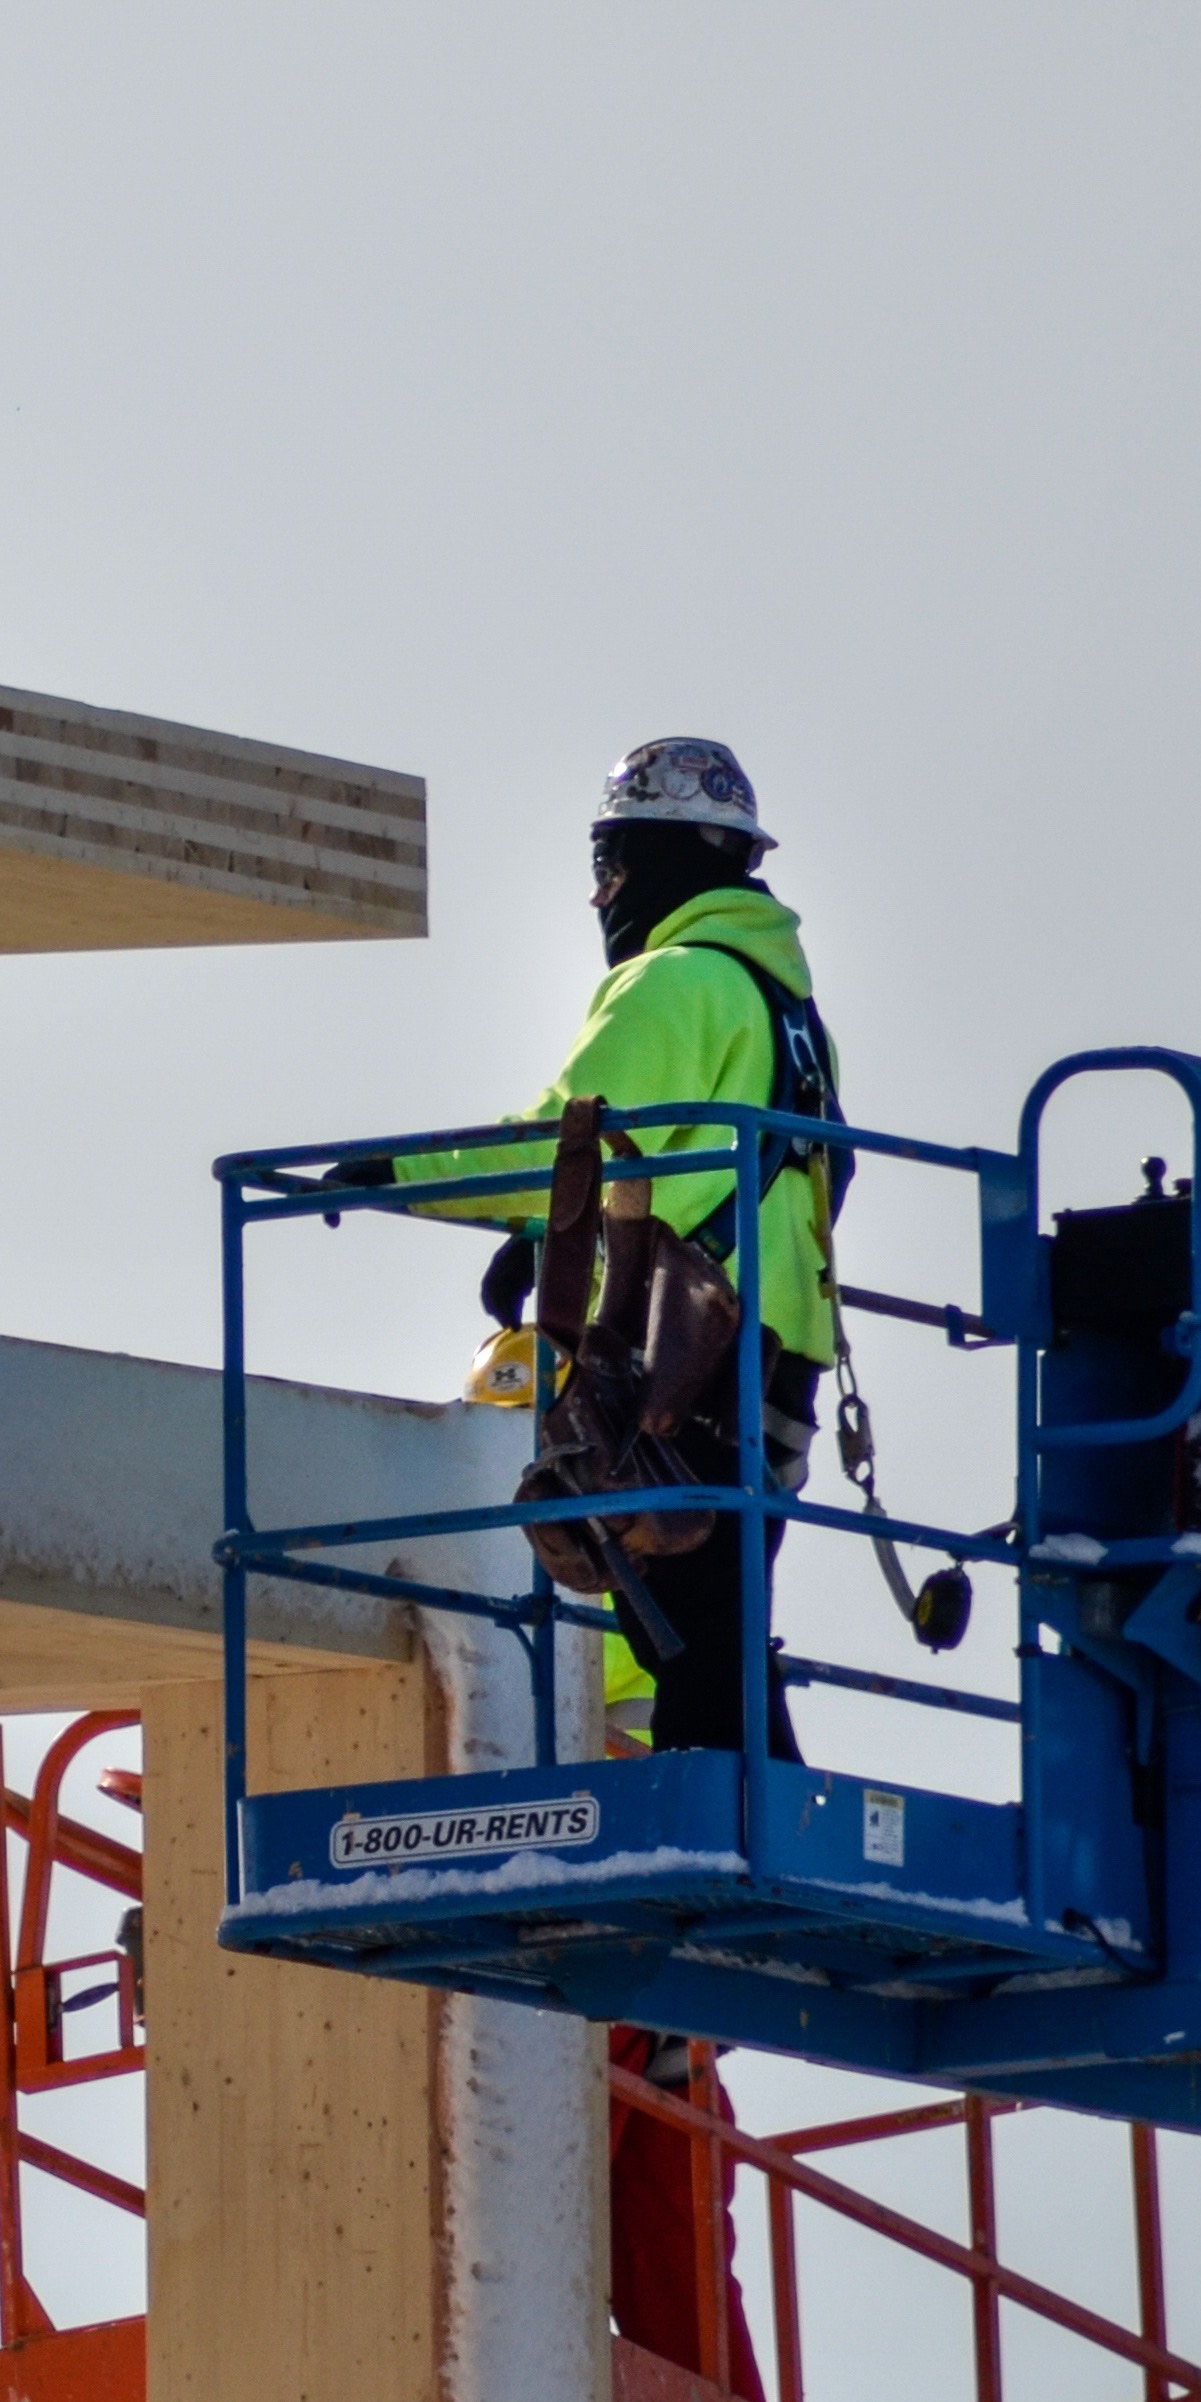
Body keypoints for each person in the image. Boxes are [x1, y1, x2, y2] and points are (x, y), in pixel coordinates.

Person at [391, 736, 860, 1761]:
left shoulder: (675, 981)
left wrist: (397, 1177)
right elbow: (715, 1167)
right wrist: (540, 1236)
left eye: (608, 866)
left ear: (652, 860)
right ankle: (762, 1827)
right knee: (715, 1626)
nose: (599, 896)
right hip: (773, 1356)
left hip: (687, 1361)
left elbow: (569, 1142)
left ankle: (720, 1833)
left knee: (688, 1629)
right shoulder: (787, 1015)